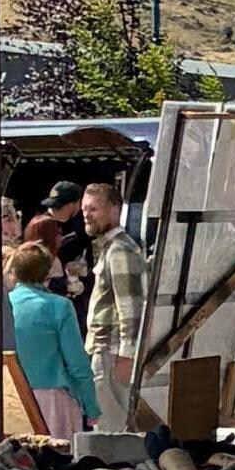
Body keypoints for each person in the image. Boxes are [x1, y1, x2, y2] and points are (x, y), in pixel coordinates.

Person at [4, 236, 99, 446]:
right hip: (54, 397)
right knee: (59, 463)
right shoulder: (59, 306)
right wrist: (91, 406)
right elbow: (77, 362)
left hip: (13, 398)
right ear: (47, 271)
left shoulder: (4, 305)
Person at [75, 169, 152, 418]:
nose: (87, 215)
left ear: (115, 210)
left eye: (94, 209)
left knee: (113, 428)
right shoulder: (110, 248)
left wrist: (127, 357)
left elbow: (131, 308)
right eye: (85, 209)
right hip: (105, 351)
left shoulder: (120, 250)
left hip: (111, 353)